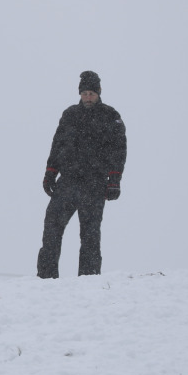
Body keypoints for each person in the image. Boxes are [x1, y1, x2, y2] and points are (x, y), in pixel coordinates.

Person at [37, 70, 127, 279]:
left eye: (91, 94)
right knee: (52, 228)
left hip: (94, 184)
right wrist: (50, 173)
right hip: (67, 182)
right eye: (84, 93)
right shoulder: (69, 115)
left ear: (99, 93)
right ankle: (46, 279)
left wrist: (114, 180)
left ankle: (89, 281)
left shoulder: (110, 116)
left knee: (90, 235)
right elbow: (57, 145)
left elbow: (119, 151)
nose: (88, 97)